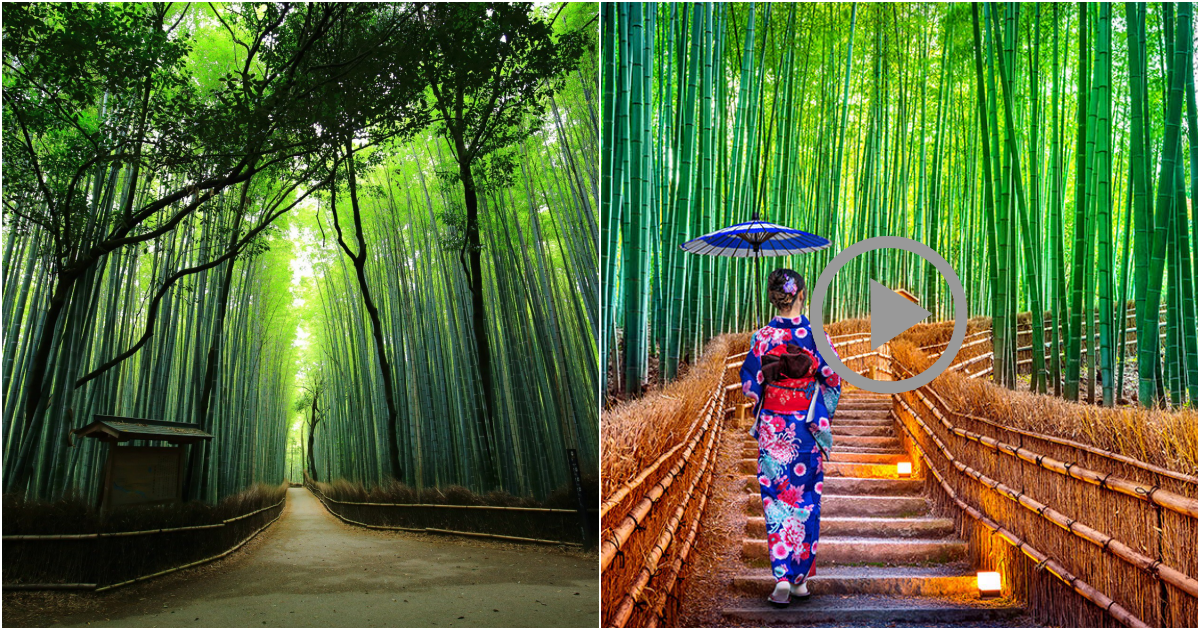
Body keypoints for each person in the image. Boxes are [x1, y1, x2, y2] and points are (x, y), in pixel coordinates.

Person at [739, 268, 842, 607]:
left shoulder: (762, 336)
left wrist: (767, 387)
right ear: (801, 295)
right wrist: (818, 405)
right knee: (807, 500)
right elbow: (833, 378)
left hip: (773, 430)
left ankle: (782, 578)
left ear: (774, 297)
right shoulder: (816, 335)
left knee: (775, 500)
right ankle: (799, 579)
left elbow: (751, 386)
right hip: (805, 428)